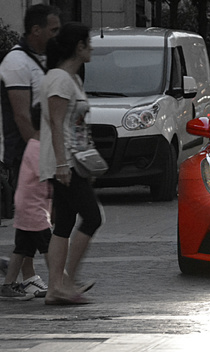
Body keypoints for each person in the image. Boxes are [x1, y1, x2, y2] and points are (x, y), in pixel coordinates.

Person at [40, 22, 101, 305]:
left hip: (72, 161)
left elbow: (73, 125)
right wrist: (63, 165)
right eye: (88, 43)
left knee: (63, 224)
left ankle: (56, 287)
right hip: (64, 162)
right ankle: (65, 281)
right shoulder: (59, 79)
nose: (91, 48)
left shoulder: (71, 80)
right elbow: (55, 122)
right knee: (92, 216)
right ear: (79, 46)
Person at [0, 4, 59, 292]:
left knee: (28, 221)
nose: (56, 35)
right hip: (24, 152)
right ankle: (55, 281)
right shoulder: (17, 63)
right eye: (53, 30)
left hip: (34, 150)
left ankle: (24, 278)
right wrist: (43, 152)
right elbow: (21, 116)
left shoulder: (39, 59)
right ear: (36, 30)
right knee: (34, 219)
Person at [0, 137, 52, 301]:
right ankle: (62, 282)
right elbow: (48, 174)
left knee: (22, 248)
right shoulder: (39, 147)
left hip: (27, 208)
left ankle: (8, 285)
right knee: (49, 248)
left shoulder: (32, 145)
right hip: (34, 210)